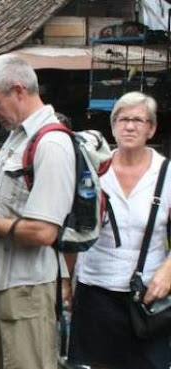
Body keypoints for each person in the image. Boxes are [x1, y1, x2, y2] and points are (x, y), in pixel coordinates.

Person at [0, 54, 75, 369]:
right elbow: (8, 208)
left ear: (19, 90)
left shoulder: (52, 143)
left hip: (25, 288)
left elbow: (44, 231)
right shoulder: (16, 139)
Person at [67, 92, 171, 369]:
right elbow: (76, 229)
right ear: (112, 126)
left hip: (149, 298)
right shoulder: (95, 171)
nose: (130, 126)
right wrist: (65, 281)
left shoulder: (166, 173)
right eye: (123, 119)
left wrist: (168, 270)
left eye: (139, 120)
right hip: (95, 292)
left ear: (151, 128)